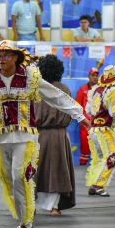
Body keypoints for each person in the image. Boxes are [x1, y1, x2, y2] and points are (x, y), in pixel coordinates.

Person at [0, 40, 89, 228]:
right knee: (9, 180)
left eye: (7, 55)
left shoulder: (30, 78)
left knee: (21, 175)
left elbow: (56, 97)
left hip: (25, 137)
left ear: (16, 58)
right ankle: (24, 216)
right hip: (1, 138)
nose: (1, 59)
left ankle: (26, 223)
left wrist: (80, 115)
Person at [34, 55, 76, 217]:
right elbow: (71, 112)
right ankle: (55, 207)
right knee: (59, 171)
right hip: (59, 135)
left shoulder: (37, 88)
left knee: (36, 171)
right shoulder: (64, 89)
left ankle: (33, 204)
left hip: (39, 135)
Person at [85, 65, 115, 197]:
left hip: (93, 130)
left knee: (100, 158)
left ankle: (94, 183)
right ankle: (98, 185)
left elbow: (88, 110)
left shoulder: (96, 90)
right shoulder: (113, 91)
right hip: (104, 129)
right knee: (114, 157)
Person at [75, 66, 100, 166]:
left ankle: (99, 166)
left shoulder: (101, 89)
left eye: (96, 75)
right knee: (85, 145)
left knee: (98, 145)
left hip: (98, 123)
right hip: (85, 123)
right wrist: (82, 118)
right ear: (89, 77)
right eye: (92, 75)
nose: (95, 77)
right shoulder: (83, 89)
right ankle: (82, 164)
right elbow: (77, 105)